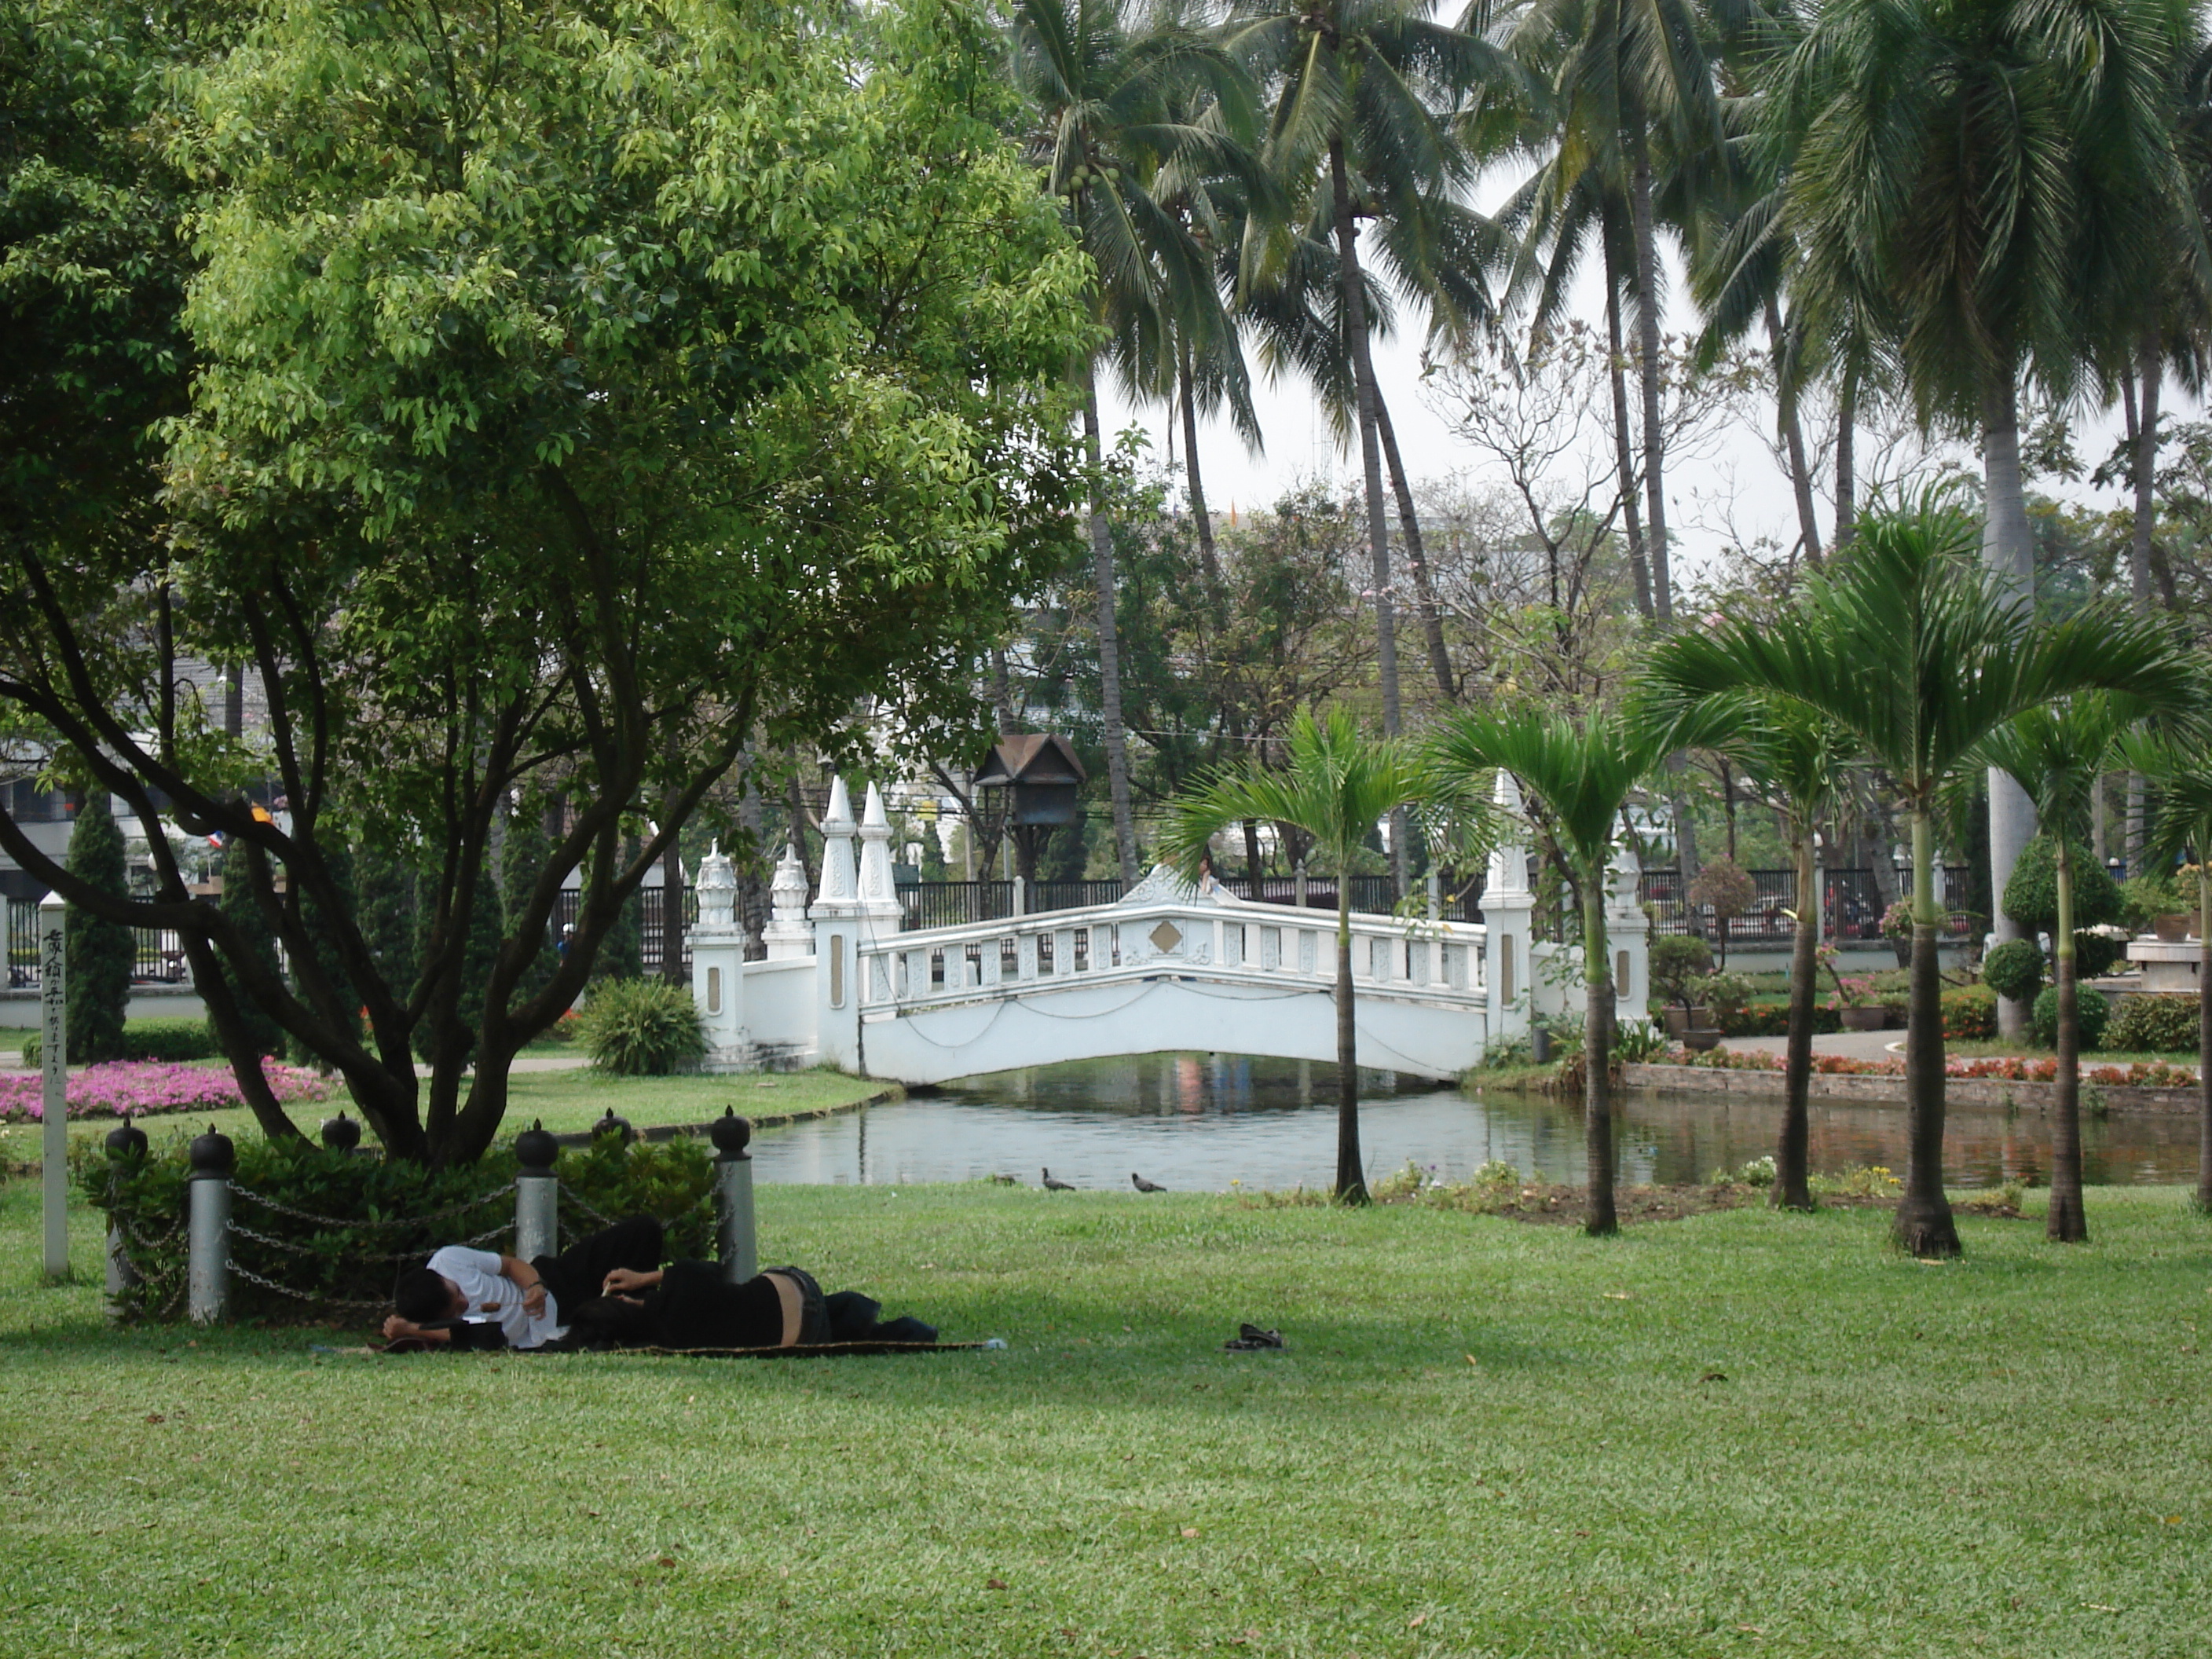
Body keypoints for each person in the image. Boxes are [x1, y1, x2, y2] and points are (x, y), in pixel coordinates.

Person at [383, 1215, 664, 1350]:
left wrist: (535, 1287)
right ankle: (646, 1320)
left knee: (642, 1231)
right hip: (553, 1332)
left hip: (554, 1282)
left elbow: (510, 1265)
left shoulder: (450, 1260)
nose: (465, 1302)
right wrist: (412, 1329)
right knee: (618, 1331)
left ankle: (642, 1302)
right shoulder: (440, 1332)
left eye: (458, 1292)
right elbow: (484, 1339)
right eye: (457, 1309)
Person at [568, 1259, 938, 1351]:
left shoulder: (668, 1341)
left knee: (837, 1324)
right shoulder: (680, 1295)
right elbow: (712, 1269)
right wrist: (646, 1279)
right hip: (796, 1291)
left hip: (798, 1336)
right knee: (833, 1308)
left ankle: (898, 1331)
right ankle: (897, 1327)